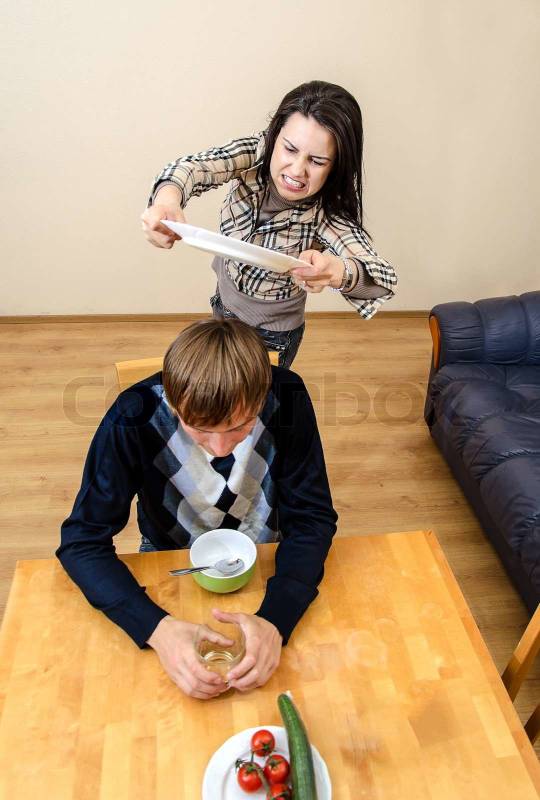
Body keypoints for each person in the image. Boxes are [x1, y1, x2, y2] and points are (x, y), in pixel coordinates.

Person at [57, 319, 337, 699]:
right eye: (199, 428)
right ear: (173, 403)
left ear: (262, 398)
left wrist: (276, 619)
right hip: (167, 555)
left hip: (271, 551)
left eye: (240, 426)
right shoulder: (132, 416)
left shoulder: (287, 397)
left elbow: (312, 518)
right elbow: (82, 541)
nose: (220, 447)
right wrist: (157, 629)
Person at [141, 80, 398, 367]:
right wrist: (166, 201)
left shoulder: (329, 214)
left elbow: (383, 280)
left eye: (317, 161)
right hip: (223, 306)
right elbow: (193, 168)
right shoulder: (255, 152)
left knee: (256, 396)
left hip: (272, 336)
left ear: (336, 166)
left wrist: (337, 272)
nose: (297, 170)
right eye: (290, 149)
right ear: (275, 136)